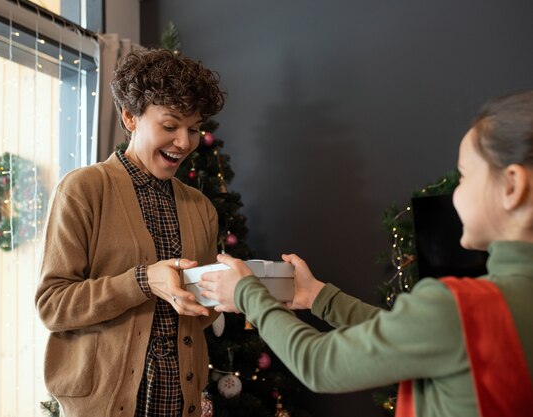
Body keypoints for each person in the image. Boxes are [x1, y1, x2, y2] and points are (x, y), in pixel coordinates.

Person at [199, 90, 533, 417]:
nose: (456, 192)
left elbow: (318, 364)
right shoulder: (482, 309)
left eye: (464, 176)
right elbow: (411, 332)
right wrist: (318, 296)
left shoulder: (462, 307)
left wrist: (246, 293)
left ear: (511, 187)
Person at [35, 49, 225, 417]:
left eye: (193, 128)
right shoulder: (83, 190)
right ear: (130, 117)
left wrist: (233, 293)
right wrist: (142, 281)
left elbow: (198, 316)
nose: (184, 143)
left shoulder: (202, 208)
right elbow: (52, 305)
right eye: (170, 126)